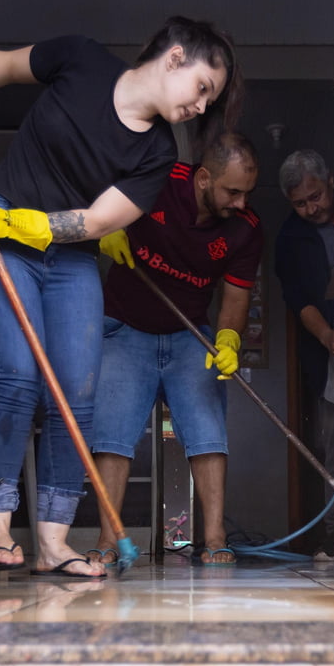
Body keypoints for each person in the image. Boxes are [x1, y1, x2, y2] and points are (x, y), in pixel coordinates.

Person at [0, 17, 242, 577]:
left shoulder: (158, 153)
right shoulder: (82, 59)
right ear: (176, 57)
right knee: (15, 375)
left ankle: (55, 541)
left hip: (69, 260)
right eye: (204, 88)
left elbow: (95, 220)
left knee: (75, 395)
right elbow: (10, 65)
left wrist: (25, 224)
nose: (202, 107)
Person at [88, 132, 263, 568]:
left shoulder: (245, 230)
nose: (241, 203)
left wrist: (229, 339)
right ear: (204, 178)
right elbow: (101, 191)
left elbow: (236, 297)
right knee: (113, 438)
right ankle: (108, 541)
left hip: (191, 337)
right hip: (125, 329)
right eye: (233, 191)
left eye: (248, 193)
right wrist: (107, 229)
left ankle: (215, 539)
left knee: (207, 435)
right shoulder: (158, 180)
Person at [275, 148, 334, 561]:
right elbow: (299, 299)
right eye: (300, 203)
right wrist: (327, 337)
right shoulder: (291, 238)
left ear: (331, 183)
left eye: (315, 196)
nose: (311, 208)